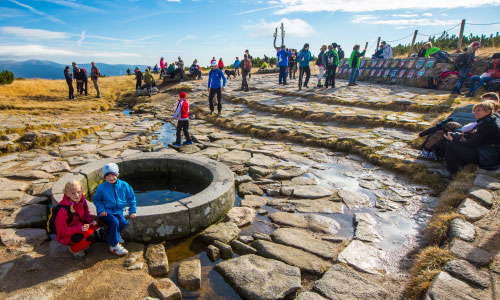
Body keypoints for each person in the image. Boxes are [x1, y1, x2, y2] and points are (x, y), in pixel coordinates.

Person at [443, 101, 500, 175]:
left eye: (479, 110)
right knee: (458, 142)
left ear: (488, 111)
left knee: (451, 145)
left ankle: (452, 172)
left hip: (487, 157)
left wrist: (453, 139)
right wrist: (462, 137)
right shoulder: (492, 119)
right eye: (474, 111)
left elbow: (472, 144)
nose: (475, 112)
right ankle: (460, 166)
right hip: (491, 153)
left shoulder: (486, 124)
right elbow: (481, 138)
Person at [93, 163, 136, 256]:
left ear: (117, 174)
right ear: (104, 177)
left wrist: (132, 211)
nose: (110, 178)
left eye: (113, 175)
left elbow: (131, 198)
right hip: (106, 211)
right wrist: (101, 210)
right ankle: (114, 246)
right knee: (114, 222)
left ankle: (115, 235)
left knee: (123, 223)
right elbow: (96, 199)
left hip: (118, 210)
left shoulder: (124, 185)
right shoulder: (101, 187)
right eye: (107, 176)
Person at [55, 180, 98, 259]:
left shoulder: (82, 200)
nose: (77, 195)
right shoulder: (63, 211)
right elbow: (61, 231)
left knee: (95, 233)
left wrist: (90, 221)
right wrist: (79, 228)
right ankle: (74, 249)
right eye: (73, 193)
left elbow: (86, 214)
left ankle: (82, 244)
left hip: (79, 228)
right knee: (85, 236)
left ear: (82, 191)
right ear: (67, 194)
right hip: (68, 235)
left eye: (78, 192)